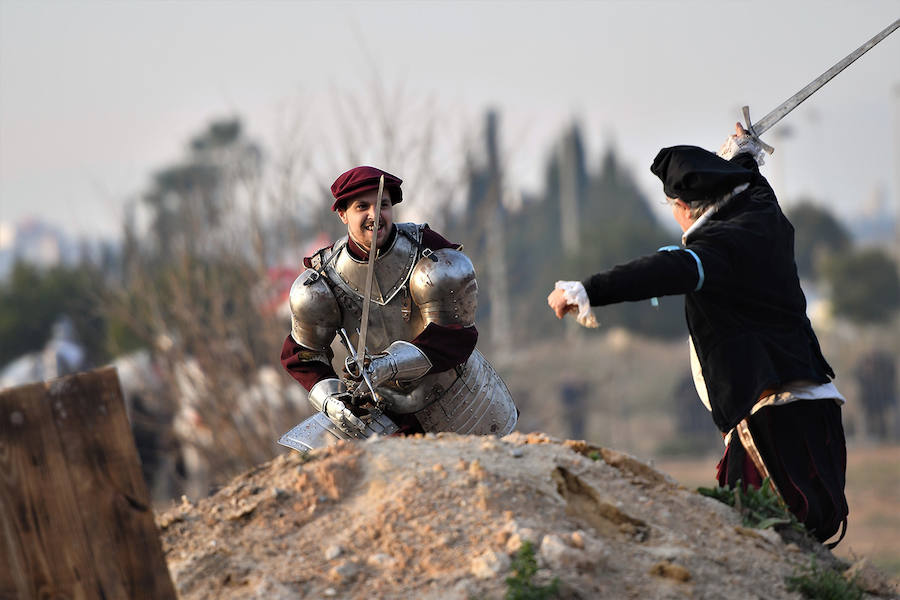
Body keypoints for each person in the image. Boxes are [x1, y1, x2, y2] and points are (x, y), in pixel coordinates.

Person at [547, 125, 848, 545]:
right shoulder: (764, 217)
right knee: (805, 536)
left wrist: (588, 290)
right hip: (818, 406)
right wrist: (743, 156)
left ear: (684, 206)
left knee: (767, 541)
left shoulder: (715, 250)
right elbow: (755, 187)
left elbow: (658, 272)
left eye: (672, 205)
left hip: (772, 417)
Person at [280, 165, 517, 445]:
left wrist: (386, 365)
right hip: (388, 418)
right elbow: (304, 356)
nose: (374, 216)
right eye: (362, 207)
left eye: (383, 205)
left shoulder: (428, 252)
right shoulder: (323, 281)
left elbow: (455, 337)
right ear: (343, 214)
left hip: (460, 402)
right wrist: (332, 401)